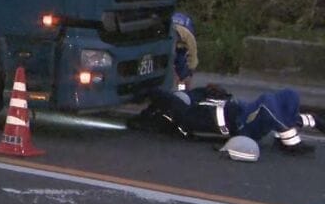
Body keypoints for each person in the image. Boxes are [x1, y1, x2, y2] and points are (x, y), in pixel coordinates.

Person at [127, 84, 321, 157]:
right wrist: (142, 92)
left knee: (289, 94)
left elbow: (196, 93)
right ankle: (290, 144)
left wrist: (209, 90)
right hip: (240, 125)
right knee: (268, 103)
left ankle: (308, 126)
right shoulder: (184, 116)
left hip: (243, 110)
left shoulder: (193, 99)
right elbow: (163, 96)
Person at [172, 12, 198, 90]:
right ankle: (180, 88)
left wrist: (190, 72)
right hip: (172, 47)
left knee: (183, 73)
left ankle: (184, 91)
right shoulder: (168, 36)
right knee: (177, 75)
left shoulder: (188, 36)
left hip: (183, 48)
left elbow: (193, 56)